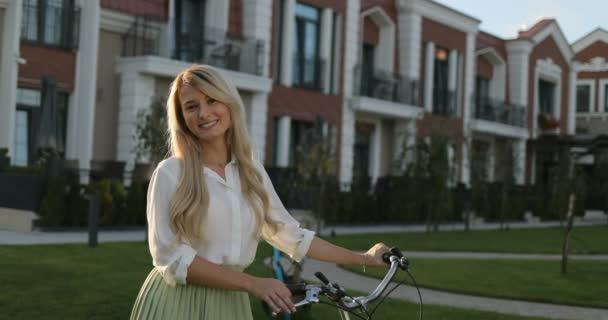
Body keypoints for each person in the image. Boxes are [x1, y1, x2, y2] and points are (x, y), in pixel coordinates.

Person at [130, 64, 389, 320]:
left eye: (211, 100)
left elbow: (292, 236)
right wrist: (252, 283)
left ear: (229, 103)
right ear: (182, 119)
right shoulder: (171, 172)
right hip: (177, 305)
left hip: (231, 303)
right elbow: (171, 259)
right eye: (191, 106)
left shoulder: (250, 171)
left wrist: (363, 257)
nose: (204, 113)